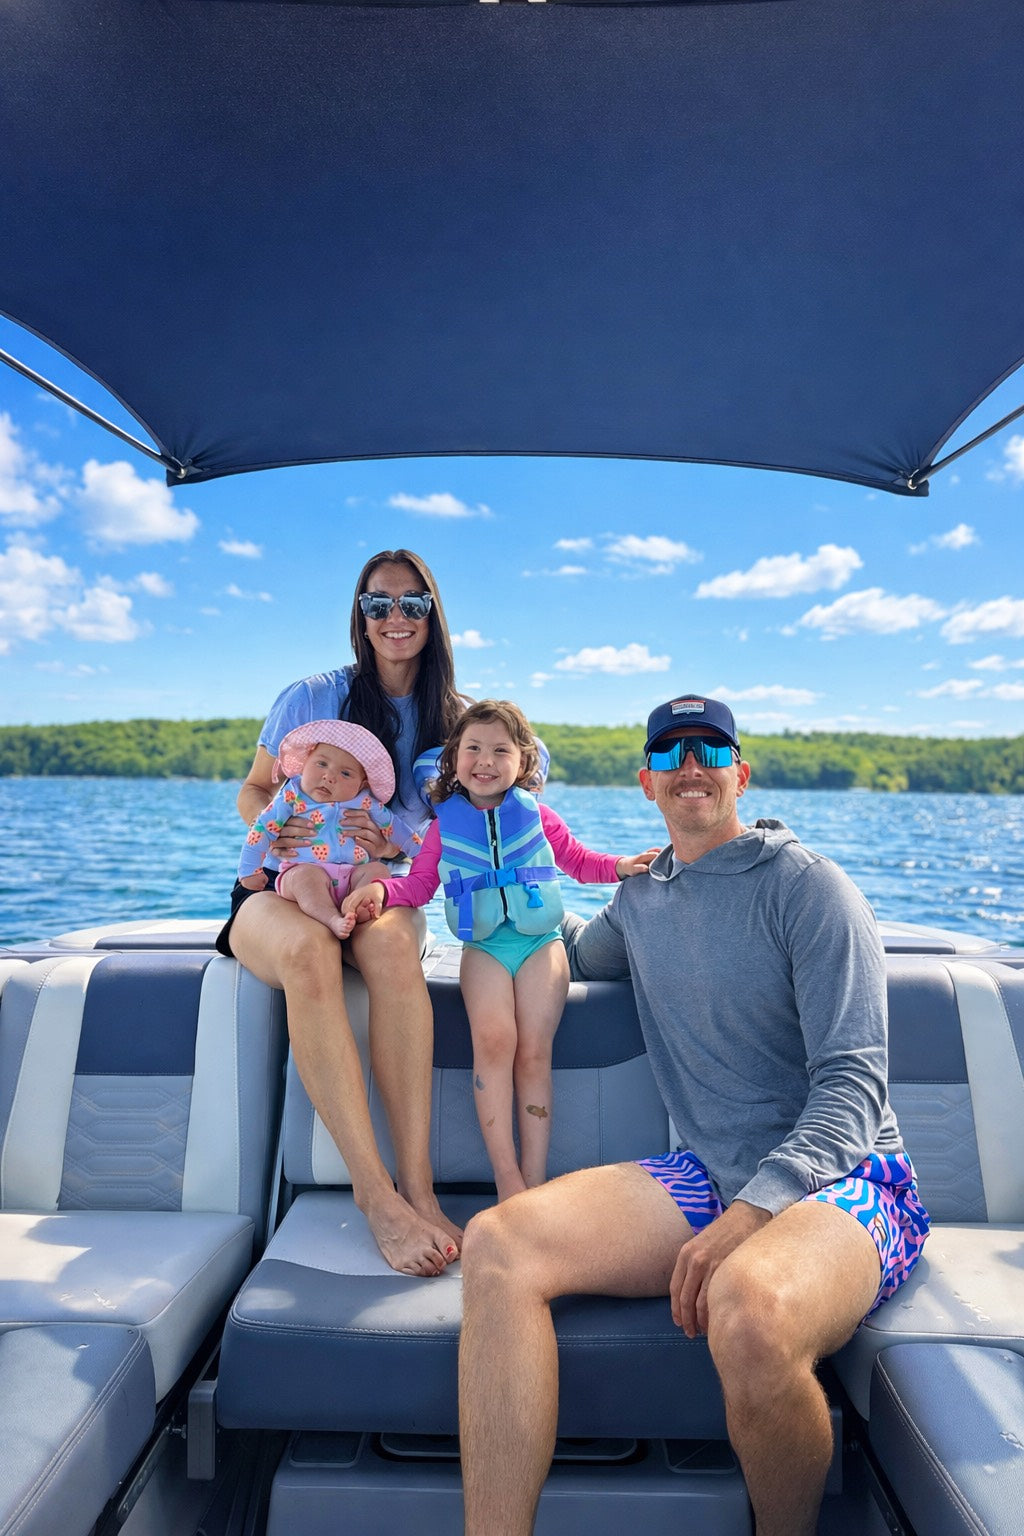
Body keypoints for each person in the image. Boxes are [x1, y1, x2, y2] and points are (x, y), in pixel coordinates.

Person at [457, 693, 930, 1536]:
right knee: (497, 1244)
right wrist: (437, 892)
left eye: (709, 751)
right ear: (646, 783)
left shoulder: (810, 888)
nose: (690, 769)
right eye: (670, 755)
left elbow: (854, 1087)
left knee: (748, 1305)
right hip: (710, 1175)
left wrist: (753, 1214)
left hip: (851, 1183)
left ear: (739, 773)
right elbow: (566, 949)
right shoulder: (643, 901)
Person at [216, 549, 466, 1277]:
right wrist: (280, 829)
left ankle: (418, 1186)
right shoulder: (311, 696)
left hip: (381, 886)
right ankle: (375, 1194)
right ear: (360, 613)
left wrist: (394, 845)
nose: (395, 617)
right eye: (378, 603)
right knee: (308, 951)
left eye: (412, 603)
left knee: (388, 948)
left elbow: (474, 825)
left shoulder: (456, 720)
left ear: (433, 614)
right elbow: (254, 790)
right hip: (280, 887)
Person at [342, 700, 658, 1201]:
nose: (485, 761)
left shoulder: (538, 816)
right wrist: (382, 891)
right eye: (473, 748)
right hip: (485, 949)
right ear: (454, 759)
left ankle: (533, 1178)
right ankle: (506, 1177)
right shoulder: (443, 827)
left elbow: (578, 861)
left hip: (540, 945)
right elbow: (420, 886)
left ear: (523, 761)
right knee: (494, 1042)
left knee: (533, 1053)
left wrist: (622, 865)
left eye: (500, 750)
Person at [237, 718, 423, 942]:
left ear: (362, 784)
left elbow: (396, 828)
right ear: (305, 762)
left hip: (352, 876)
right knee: (306, 878)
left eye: (346, 774)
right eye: (321, 764)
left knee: (379, 871)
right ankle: (332, 919)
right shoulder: (292, 796)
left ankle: (356, 906)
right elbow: (261, 829)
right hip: (303, 871)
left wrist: (421, 853)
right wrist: (250, 870)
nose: (329, 777)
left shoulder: (365, 802)